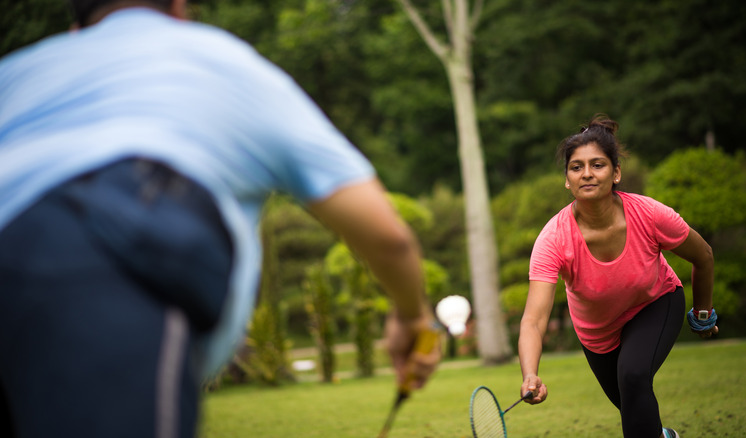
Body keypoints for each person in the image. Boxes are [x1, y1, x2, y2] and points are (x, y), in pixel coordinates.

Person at [0, 1, 440, 437]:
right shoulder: (224, 63)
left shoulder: (16, 73)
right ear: (179, 9)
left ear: (75, 27)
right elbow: (387, 236)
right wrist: (411, 316)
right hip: (106, 257)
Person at [518, 115, 717, 438]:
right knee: (634, 406)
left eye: (597, 165)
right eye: (576, 167)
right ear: (567, 180)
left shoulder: (649, 214)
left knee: (633, 376)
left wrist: (703, 314)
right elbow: (533, 319)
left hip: (656, 303)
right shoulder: (553, 238)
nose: (587, 174)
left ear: (616, 173)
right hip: (598, 336)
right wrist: (530, 374)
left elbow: (703, 256)